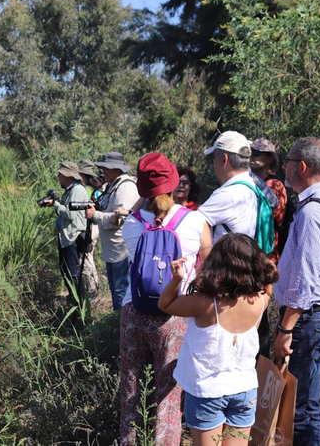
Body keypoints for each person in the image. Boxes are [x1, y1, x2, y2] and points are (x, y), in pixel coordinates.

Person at [120, 152, 212, 446]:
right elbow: (206, 262)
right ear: (174, 184)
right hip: (174, 313)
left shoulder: (132, 225)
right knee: (168, 397)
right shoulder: (196, 221)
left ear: (142, 189)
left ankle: (129, 441)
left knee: (130, 388)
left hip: (133, 311)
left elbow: (139, 216)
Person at [158, 233, 278, 446]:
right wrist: (266, 266)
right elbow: (268, 285)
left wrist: (177, 278)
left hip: (207, 391)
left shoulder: (204, 303)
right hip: (245, 389)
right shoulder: (260, 299)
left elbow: (165, 304)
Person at [274, 137, 320, 446]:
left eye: (287, 161)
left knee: (300, 410)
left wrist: (285, 328)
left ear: (301, 166)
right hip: (314, 319)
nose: (284, 167)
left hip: (308, 322)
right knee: (304, 406)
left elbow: (304, 282)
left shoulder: (313, 213)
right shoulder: (319, 204)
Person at [198, 130, 276, 359]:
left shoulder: (228, 194)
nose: (213, 165)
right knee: (256, 348)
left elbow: (194, 224)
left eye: (214, 158)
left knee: (230, 351)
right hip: (257, 278)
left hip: (231, 285)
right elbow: (275, 202)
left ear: (223, 159)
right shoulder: (257, 185)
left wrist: (206, 265)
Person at [86, 152, 140, 311]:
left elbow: (119, 219)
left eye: (106, 168)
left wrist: (95, 214)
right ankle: (118, 327)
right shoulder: (112, 184)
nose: (103, 171)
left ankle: (121, 328)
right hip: (112, 249)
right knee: (115, 289)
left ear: (117, 169)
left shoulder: (126, 187)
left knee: (120, 291)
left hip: (121, 250)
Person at [41, 161, 89, 297]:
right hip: (67, 237)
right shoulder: (71, 190)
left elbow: (70, 214)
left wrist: (55, 204)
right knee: (66, 270)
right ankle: (74, 301)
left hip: (72, 238)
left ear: (67, 176)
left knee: (73, 273)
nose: (58, 177)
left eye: (60, 174)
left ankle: (79, 304)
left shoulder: (77, 190)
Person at [250, 138, 288, 263]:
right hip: (256, 254)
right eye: (250, 151)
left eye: (256, 152)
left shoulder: (274, 185)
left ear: (270, 159)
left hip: (267, 257)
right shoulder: (255, 183)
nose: (251, 156)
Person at [77, 159, 103, 298]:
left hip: (89, 227)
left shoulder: (84, 189)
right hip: (95, 226)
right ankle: (93, 288)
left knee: (85, 258)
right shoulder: (96, 189)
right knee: (89, 256)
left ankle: (92, 290)